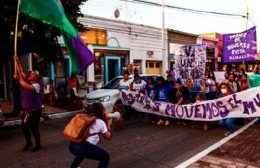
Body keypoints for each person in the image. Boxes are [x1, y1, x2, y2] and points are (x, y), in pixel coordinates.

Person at [14, 55, 43, 152]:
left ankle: (38, 145)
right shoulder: (27, 81)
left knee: (34, 129)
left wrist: (18, 79)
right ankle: (29, 143)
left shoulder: (37, 85)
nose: (30, 75)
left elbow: (27, 87)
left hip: (35, 112)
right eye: (31, 74)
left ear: (37, 77)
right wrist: (17, 61)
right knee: (25, 128)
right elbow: (21, 72)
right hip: (26, 112)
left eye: (33, 74)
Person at [69, 103, 112, 168]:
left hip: (72, 145)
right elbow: (108, 137)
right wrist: (108, 124)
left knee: (82, 154)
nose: (104, 111)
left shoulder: (83, 117)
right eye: (103, 110)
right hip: (83, 147)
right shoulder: (100, 122)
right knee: (105, 157)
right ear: (100, 111)